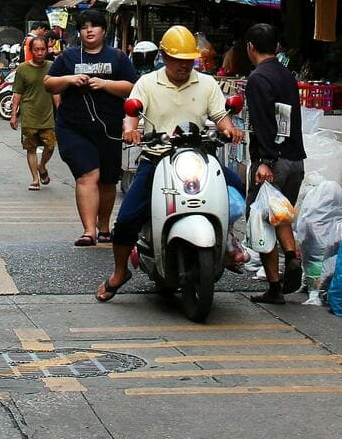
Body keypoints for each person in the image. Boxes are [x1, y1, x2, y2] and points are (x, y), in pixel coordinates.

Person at [97, 25, 244, 302]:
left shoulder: (207, 83)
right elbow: (132, 113)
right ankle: (120, 272)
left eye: (188, 60)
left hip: (199, 156)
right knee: (127, 218)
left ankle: (228, 241)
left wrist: (228, 128)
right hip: (158, 158)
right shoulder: (147, 83)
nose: (184, 66)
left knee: (237, 188)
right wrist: (132, 128)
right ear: (164, 57)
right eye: (178, 60)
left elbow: (220, 115)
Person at [45, 9, 138, 247]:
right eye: (84, 26)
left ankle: (104, 227)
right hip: (73, 127)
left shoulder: (117, 57)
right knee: (88, 175)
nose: (89, 30)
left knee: (107, 179)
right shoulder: (68, 57)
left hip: (109, 128)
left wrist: (105, 84)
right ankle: (89, 231)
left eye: (94, 26)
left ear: (103, 31)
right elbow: (49, 83)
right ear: (79, 32)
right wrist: (69, 80)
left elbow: (132, 88)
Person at [242, 22, 306, 302]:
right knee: (280, 214)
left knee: (263, 220)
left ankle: (275, 287)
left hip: (273, 162)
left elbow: (264, 123)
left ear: (250, 47)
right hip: (295, 160)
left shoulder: (258, 79)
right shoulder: (286, 75)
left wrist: (264, 162)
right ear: (276, 47)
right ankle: (291, 256)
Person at [10, 34, 59, 189]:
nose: (39, 53)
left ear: (47, 50)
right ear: (31, 50)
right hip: (29, 115)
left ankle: (42, 166)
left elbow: (56, 91)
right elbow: (17, 93)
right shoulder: (23, 69)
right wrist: (13, 115)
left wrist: (61, 110)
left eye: (42, 49)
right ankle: (35, 179)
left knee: (50, 146)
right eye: (36, 49)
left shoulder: (52, 67)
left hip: (47, 115)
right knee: (30, 148)